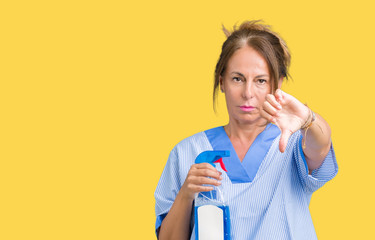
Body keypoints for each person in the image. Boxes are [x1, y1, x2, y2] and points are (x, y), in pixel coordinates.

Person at [154, 20, 338, 240]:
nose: (248, 93)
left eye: (260, 80)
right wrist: (186, 193)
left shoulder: (293, 143)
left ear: (276, 84)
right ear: (222, 82)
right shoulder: (186, 152)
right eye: (237, 79)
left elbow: (321, 144)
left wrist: (308, 119)